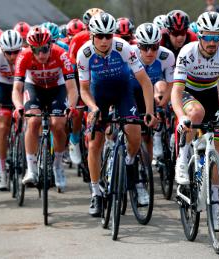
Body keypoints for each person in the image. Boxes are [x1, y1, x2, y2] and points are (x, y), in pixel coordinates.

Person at [172, 11, 219, 230]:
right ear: (199, 36)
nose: (213, 42)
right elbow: (176, 92)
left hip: (209, 94)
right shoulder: (187, 52)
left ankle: (215, 204)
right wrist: (181, 118)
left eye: (217, 37)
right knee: (194, 114)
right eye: (208, 37)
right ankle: (183, 157)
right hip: (188, 93)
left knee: (218, 147)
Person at [76, 13, 156, 217]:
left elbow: (145, 81)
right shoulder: (84, 53)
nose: (104, 41)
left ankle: (128, 163)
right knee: (94, 143)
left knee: (135, 133)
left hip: (123, 91)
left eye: (108, 36)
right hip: (98, 95)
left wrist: (149, 112)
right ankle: (96, 193)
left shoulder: (123, 48)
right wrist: (93, 108)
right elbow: (83, 90)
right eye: (100, 36)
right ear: (92, 35)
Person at [12, 26, 79, 192]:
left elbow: (72, 88)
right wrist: (18, 106)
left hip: (57, 88)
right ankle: (31, 169)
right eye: (36, 50)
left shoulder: (61, 54)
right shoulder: (23, 56)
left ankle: (57, 166)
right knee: (33, 121)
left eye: (44, 49)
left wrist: (71, 106)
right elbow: (17, 88)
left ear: (50, 45)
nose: (41, 54)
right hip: (35, 88)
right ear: (30, 49)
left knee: (58, 124)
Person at [132, 22, 175, 173]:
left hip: (150, 93)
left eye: (154, 47)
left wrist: (162, 104)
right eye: (145, 47)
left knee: (147, 136)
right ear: (138, 45)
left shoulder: (167, 56)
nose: (150, 52)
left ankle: (146, 171)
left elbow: (171, 84)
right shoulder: (129, 54)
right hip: (131, 92)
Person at [0, 30, 23, 191]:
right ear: (2, 50)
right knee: (2, 125)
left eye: (16, 51)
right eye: (9, 52)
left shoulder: (25, 56)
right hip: (3, 87)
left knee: (28, 119)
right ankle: (2, 171)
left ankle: (27, 160)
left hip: (20, 86)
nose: (13, 56)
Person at [68, 8, 105, 165]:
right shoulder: (78, 39)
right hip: (80, 76)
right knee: (77, 111)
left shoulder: (108, 38)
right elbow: (70, 66)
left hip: (99, 76)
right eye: (90, 26)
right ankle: (74, 140)